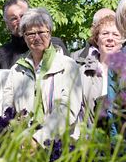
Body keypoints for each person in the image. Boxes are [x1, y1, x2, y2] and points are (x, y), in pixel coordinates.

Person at [11, 8, 83, 143]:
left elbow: (68, 110)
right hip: (25, 147)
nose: (37, 37)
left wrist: (38, 139)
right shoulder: (16, 70)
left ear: (50, 32)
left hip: (61, 145)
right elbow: (8, 109)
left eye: (41, 32)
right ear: (24, 37)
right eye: (31, 33)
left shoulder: (68, 66)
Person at [78, 15, 126, 125]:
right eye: (105, 34)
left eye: (115, 34)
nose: (110, 38)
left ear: (122, 41)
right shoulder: (83, 72)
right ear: (96, 39)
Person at [0, 0, 69, 69]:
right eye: (14, 19)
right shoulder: (2, 55)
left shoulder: (55, 44)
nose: (20, 21)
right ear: (7, 24)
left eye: (22, 16)